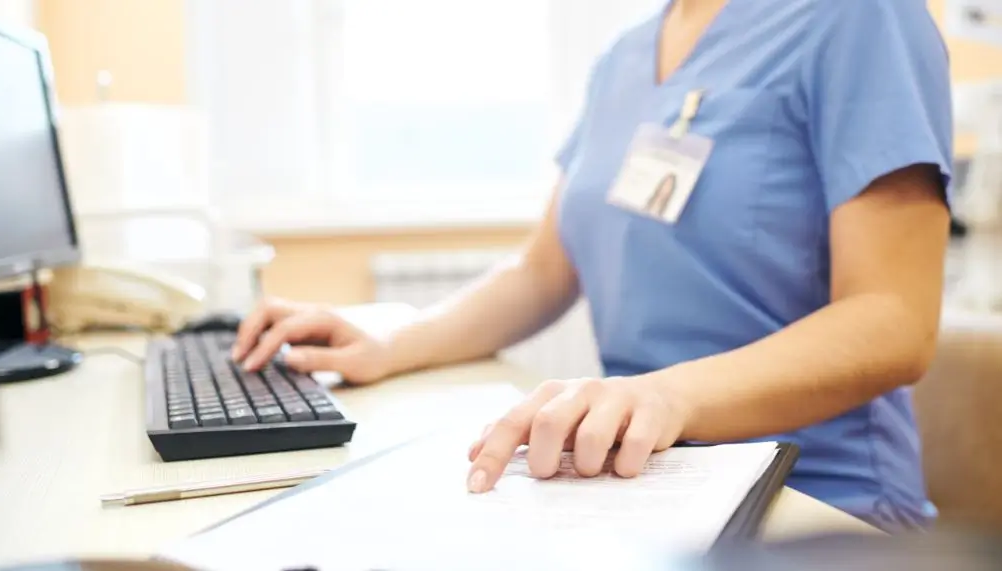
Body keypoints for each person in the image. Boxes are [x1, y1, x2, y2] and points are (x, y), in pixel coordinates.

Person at [233, 0, 953, 532]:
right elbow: (544, 269)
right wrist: (391, 341)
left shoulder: (862, 17)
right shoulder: (625, 55)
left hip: (816, 502)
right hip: (636, 478)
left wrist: (667, 397)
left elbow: (894, 321)